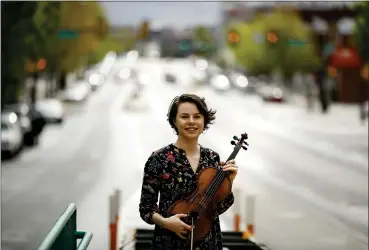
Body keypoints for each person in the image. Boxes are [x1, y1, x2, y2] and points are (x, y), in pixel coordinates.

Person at [139, 94, 238, 250]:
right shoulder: (158, 159)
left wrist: (229, 182)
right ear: (174, 121)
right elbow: (146, 208)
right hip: (169, 242)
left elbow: (214, 210)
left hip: (208, 242)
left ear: (204, 121)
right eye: (185, 117)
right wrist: (166, 222)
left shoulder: (212, 158)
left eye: (197, 117)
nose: (191, 121)